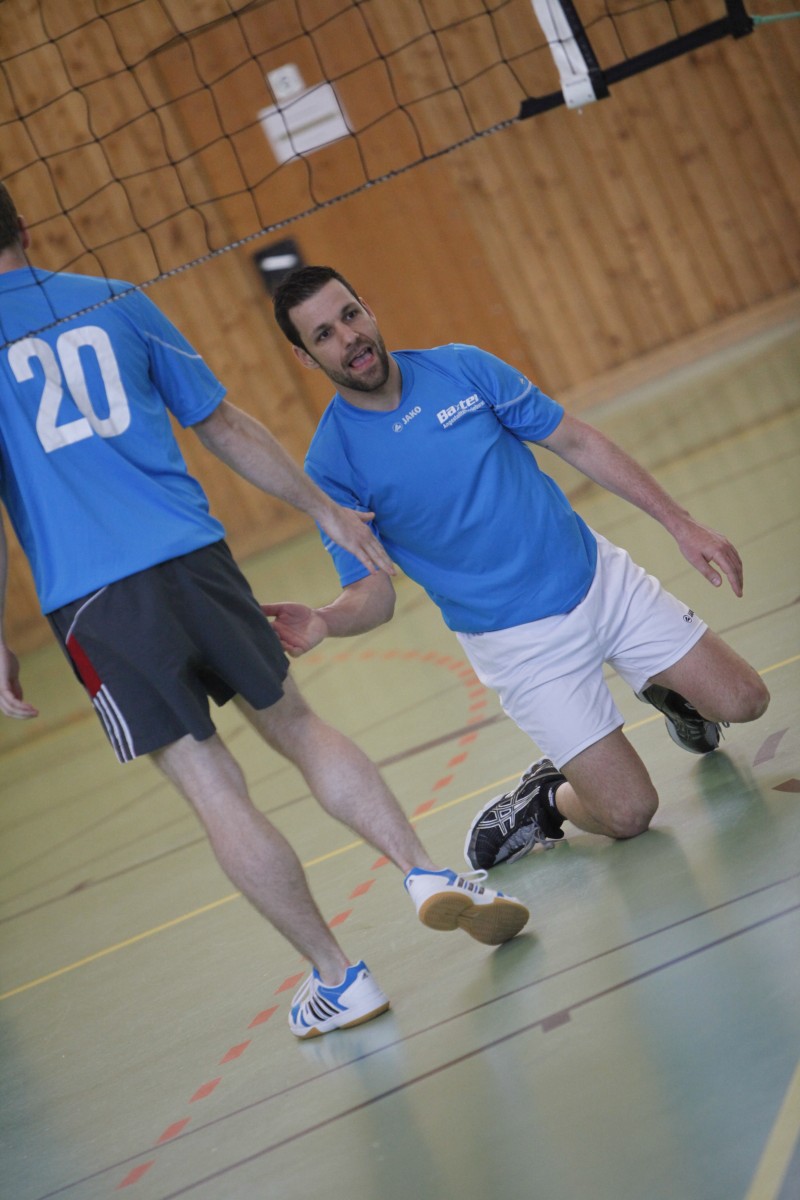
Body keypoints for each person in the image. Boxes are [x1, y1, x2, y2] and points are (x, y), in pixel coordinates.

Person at [0, 186, 530, 1041]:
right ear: (24, 227)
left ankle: (339, 977)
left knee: (212, 787)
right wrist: (325, 509)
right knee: (300, 727)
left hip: (95, 600)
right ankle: (427, 872)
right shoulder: (114, 299)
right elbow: (222, 424)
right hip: (195, 556)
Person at [266, 264, 770, 873]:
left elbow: (576, 441)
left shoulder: (461, 367)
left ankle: (676, 695)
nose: (348, 338)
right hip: (520, 645)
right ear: (305, 357)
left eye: (350, 315)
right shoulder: (330, 466)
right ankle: (544, 801)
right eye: (323, 335)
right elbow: (374, 593)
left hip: (600, 581)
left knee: (746, 701)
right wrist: (326, 620)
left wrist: (680, 523)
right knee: (629, 813)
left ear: (367, 308)